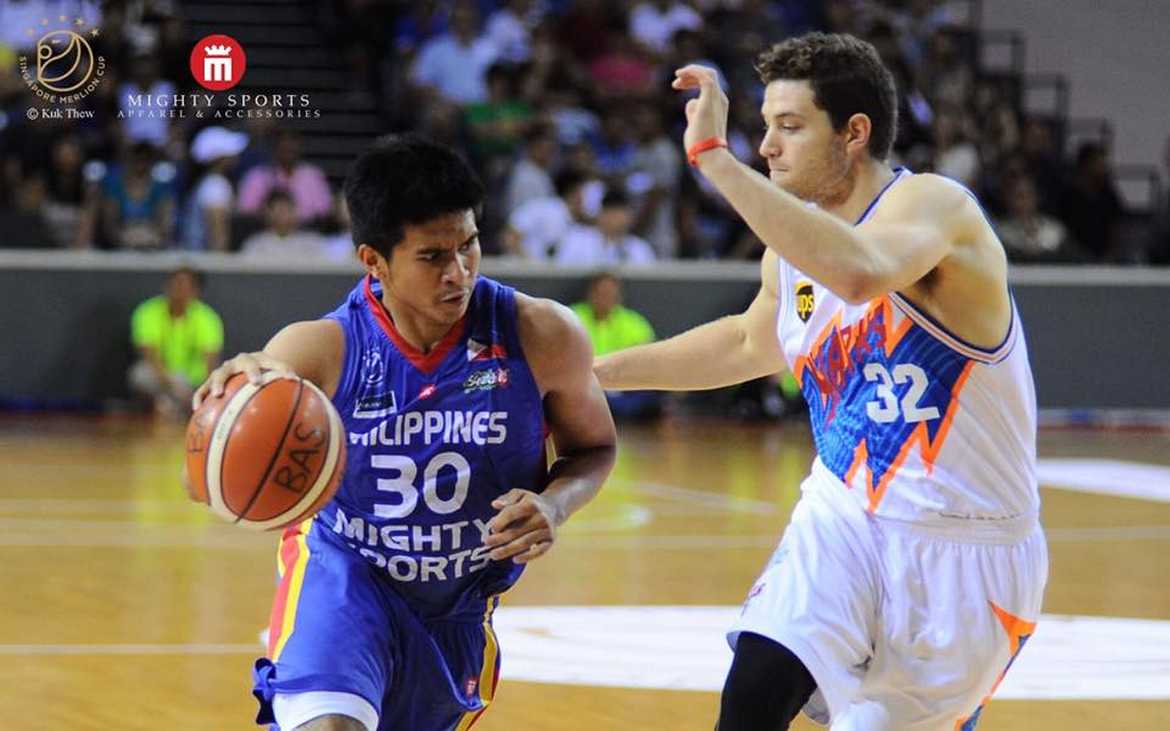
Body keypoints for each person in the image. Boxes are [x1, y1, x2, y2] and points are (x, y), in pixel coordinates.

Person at [594, 32, 1047, 730]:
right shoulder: (793, 241)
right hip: (843, 514)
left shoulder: (937, 207)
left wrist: (715, 159)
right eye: (765, 127)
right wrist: (596, 373)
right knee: (750, 694)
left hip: (968, 548)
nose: (768, 146)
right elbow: (749, 340)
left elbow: (861, 271)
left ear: (854, 133)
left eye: (790, 127)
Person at [191, 134, 616, 731]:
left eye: (468, 246)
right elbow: (265, 381)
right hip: (344, 576)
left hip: (458, 603)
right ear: (374, 260)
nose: (458, 272)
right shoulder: (324, 348)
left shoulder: (542, 334)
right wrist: (240, 391)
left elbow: (595, 447)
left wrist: (555, 503)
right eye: (432, 256)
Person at [129, 267, 223, 417]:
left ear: (196, 291)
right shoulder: (148, 311)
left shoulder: (207, 317)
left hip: (194, 380)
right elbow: (149, 355)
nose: (179, 290)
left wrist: (207, 393)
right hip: (161, 377)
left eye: (185, 286)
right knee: (140, 374)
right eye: (176, 284)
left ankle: (172, 407)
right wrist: (173, 385)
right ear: (167, 286)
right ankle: (165, 405)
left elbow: (210, 361)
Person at [571, 272, 660, 420]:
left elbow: (649, 358)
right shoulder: (572, 316)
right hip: (586, 384)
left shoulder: (634, 322)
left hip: (624, 385)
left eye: (611, 294)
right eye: (602, 293)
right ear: (591, 294)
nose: (606, 299)